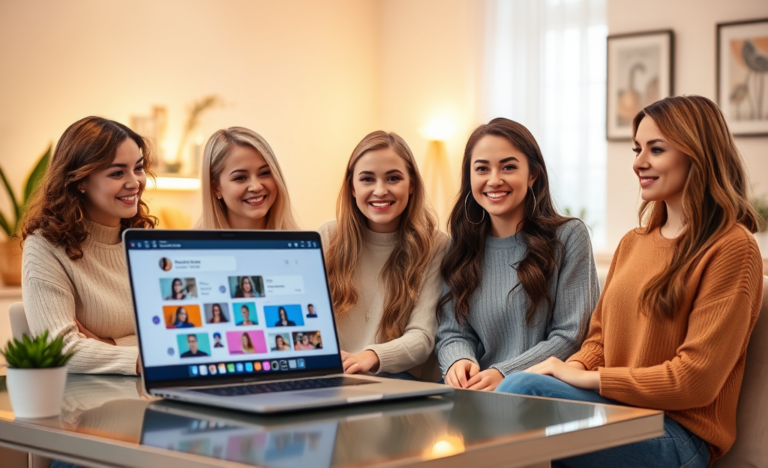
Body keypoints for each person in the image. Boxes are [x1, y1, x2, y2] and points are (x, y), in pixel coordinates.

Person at [496, 96, 764, 468]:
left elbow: (696, 380)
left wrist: (585, 379)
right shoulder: (633, 243)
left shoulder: (732, 248)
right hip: (618, 414)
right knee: (520, 395)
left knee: (524, 390)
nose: (639, 162)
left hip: (676, 436)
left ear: (697, 154)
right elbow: (599, 340)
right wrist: (573, 368)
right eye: (638, 148)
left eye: (656, 149)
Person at [435, 118, 599, 392]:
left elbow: (572, 335)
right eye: (482, 169)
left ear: (532, 175)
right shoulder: (460, 247)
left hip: (543, 394)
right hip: (477, 394)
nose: (494, 180)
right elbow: (452, 331)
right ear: (470, 177)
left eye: (508, 167)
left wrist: (505, 373)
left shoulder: (569, 236)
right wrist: (458, 361)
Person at [21, 116, 156, 375]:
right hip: (88, 407)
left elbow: (179, 334)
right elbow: (60, 349)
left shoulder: (147, 240)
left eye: (138, 168)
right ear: (80, 181)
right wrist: (146, 359)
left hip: (153, 395)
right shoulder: (45, 247)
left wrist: (109, 345)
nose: (135, 182)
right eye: (117, 172)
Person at [319, 131, 448, 381]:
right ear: (352, 188)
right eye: (367, 179)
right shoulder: (327, 237)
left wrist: (369, 356)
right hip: (331, 376)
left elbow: (422, 337)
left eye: (393, 178)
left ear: (411, 184)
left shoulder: (434, 245)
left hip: (393, 378)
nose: (380, 190)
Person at [196, 127, 299, 230]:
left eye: (264, 173)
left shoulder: (301, 244)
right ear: (215, 187)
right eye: (240, 177)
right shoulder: (192, 246)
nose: (256, 186)